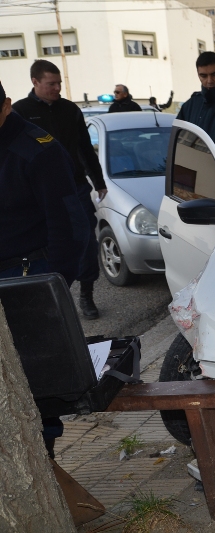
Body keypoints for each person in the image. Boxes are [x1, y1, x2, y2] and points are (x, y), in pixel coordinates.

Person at [0, 78, 90, 458]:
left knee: (37, 384)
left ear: (5, 106)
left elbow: (72, 226)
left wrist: (49, 287)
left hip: (27, 277)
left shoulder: (38, 150)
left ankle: (47, 461)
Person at [13, 60, 107, 320]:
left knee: (86, 241)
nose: (57, 88)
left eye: (59, 84)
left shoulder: (70, 110)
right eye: (50, 84)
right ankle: (47, 297)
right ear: (35, 82)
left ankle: (86, 294)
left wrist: (98, 181)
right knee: (45, 245)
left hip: (75, 187)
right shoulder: (19, 112)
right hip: (37, 194)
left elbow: (85, 148)